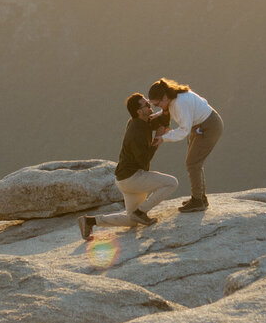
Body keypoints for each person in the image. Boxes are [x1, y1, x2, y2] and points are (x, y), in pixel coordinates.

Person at [77, 93, 178, 240]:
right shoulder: (137, 131)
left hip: (124, 179)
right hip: (132, 178)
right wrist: (158, 139)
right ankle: (141, 212)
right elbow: (144, 161)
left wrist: (166, 110)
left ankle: (89, 221)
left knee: (131, 220)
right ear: (139, 111)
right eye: (147, 105)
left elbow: (160, 120)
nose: (150, 106)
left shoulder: (139, 121)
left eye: (148, 103)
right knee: (171, 183)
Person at [147, 78, 223, 212]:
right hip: (202, 125)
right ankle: (200, 198)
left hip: (209, 127)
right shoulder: (175, 97)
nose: (157, 107)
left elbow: (183, 130)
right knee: (195, 163)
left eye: (157, 104)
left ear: (164, 97)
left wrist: (163, 138)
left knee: (193, 163)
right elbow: (175, 110)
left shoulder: (179, 103)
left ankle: (198, 200)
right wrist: (160, 114)